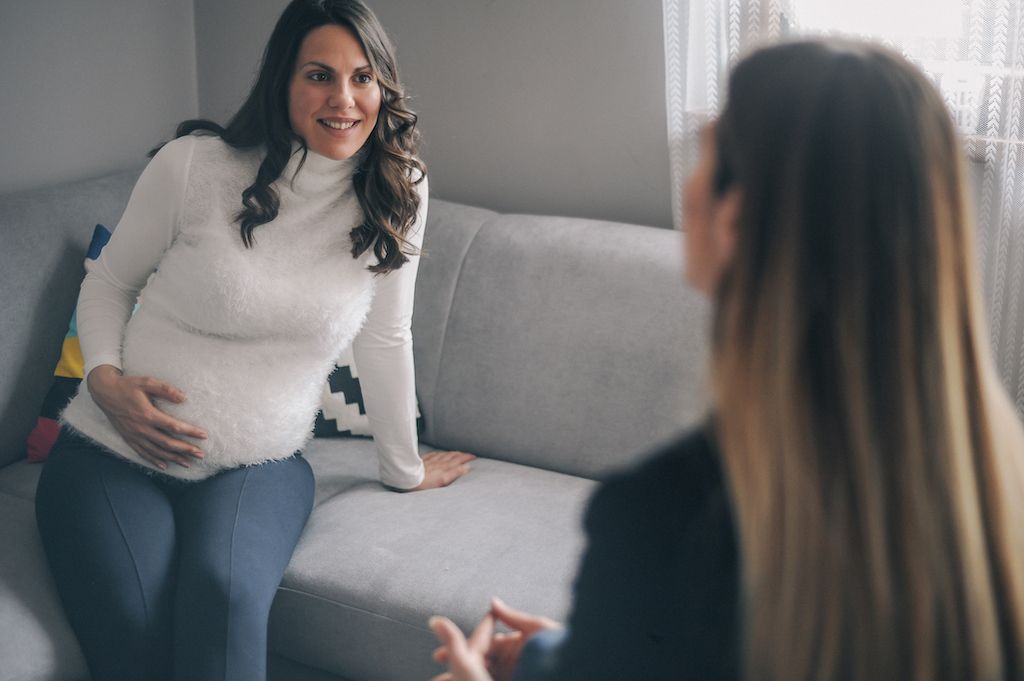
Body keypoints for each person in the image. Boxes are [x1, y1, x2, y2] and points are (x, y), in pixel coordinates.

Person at [429, 39, 1024, 681]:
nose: (688, 183)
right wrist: (574, 654)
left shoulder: (666, 517)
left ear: (735, 219)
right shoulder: (994, 491)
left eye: (706, 152)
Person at [34, 1, 474, 680]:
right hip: (110, 451)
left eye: (362, 77)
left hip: (259, 466)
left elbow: (387, 337)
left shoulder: (398, 191)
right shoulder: (195, 166)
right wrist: (105, 382)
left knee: (228, 595)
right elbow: (110, 284)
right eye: (319, 75)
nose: (344, 99)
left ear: (382, 87)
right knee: (136, 623)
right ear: (282, 83)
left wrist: (405, 467)